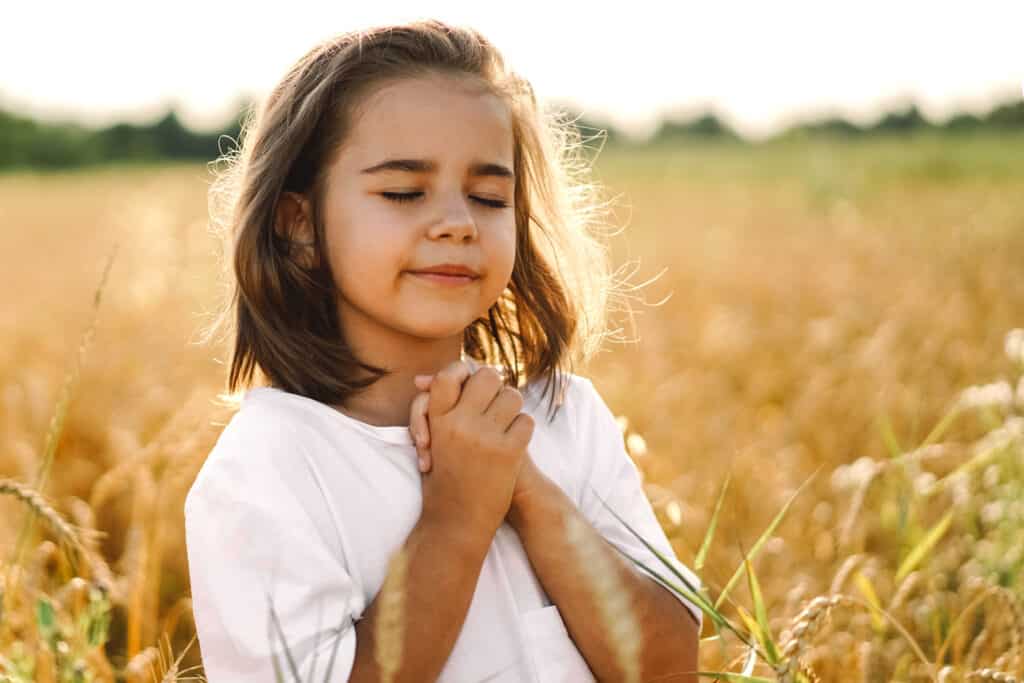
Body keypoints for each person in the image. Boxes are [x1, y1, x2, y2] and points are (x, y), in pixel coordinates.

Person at [184, 18, 703, 683]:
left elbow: (670, 666)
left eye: (488, 196)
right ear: (301, 225)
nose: (458, 222)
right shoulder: (266, 469)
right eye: (404, 192)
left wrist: (529, 492)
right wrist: (457, 515)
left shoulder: (564, 417)